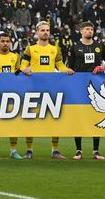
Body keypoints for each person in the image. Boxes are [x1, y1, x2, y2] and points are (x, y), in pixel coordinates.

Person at [20, 21, 74, 159]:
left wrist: (66, 70)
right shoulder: (30, 49)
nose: (45, 32)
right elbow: (23, 66)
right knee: (30, 120)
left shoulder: (55, 49)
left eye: (47, 30)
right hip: (33, 88)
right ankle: (29, 150)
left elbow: (60, 65)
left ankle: (55, 150)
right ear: (37, 33)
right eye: (42, 30)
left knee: (54, 119)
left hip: (51, 89)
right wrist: (25, 70)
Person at [67, 21, 105, 160]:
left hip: (96, 85)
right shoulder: (75, 46)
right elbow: (70, 66)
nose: (89, 31)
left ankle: (96, 151)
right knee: (78, 117)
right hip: (79, 86)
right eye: (87, 29)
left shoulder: (99, 46)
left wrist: (102, 68)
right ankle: (78, 150)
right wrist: (69, 71)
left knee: (96, 115)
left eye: (91, 29)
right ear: (81, 31)